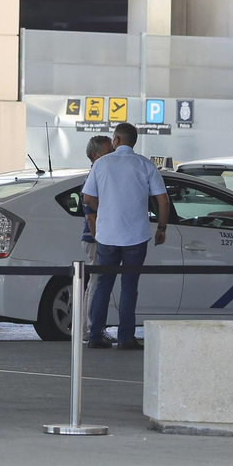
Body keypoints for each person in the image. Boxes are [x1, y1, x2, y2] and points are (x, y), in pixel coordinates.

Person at [82, 123, 170, 350]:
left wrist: (106, 210)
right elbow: (163, 200)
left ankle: (95, 336)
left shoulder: (101, 164)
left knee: (103, 285)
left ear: (116, 140)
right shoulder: (145, 165)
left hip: (107, 236)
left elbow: (88, 198)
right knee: (129, 287)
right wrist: (161, 228)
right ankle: (125, 338)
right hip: (136, 236)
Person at [81, 135, 113, 265]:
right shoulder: (93, 180)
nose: (113, 156)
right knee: (97, 281)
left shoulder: (103, 176)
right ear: (95, 155)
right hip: (95, 241)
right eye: (109, 153)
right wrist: (99, 244)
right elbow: (91, 217)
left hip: (103, 239)